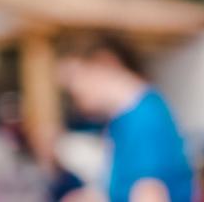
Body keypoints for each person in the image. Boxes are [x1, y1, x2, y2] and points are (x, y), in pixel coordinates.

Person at [58, 37, 194, 202]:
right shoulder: (124, 120)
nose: (74, 93)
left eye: (74, 78)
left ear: (104, 64)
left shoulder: (144, 119)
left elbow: (149, 194)